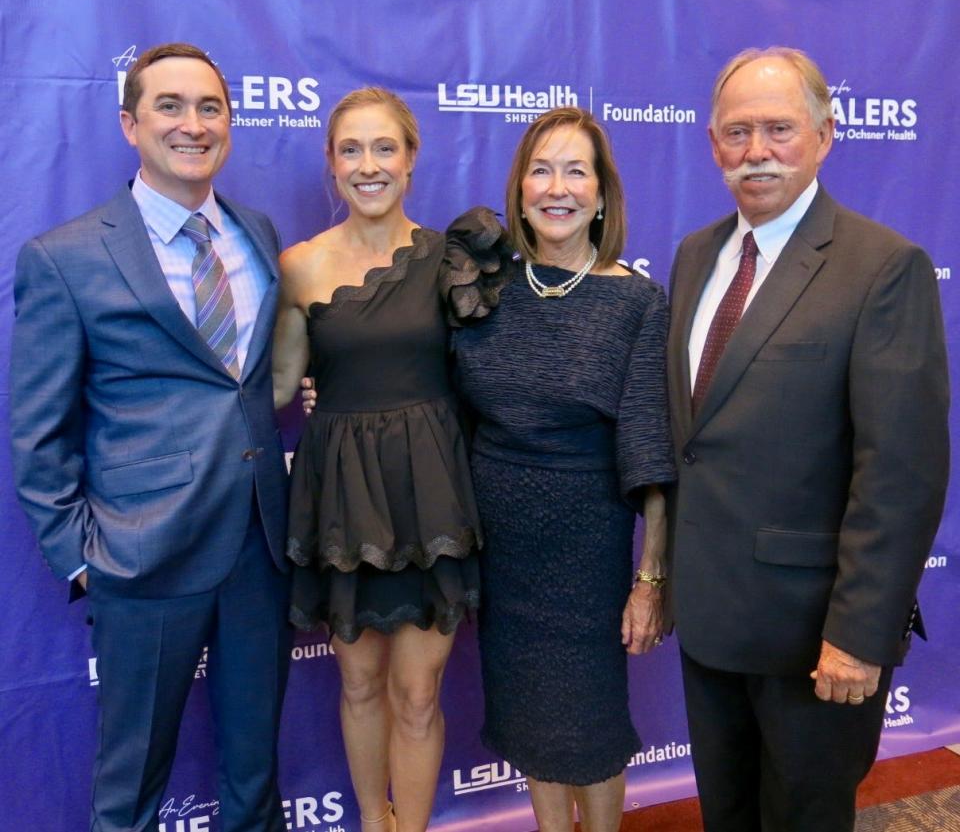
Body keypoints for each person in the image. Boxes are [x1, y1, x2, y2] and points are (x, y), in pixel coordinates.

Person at [665, 46, 950, 831]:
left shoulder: (884, 267)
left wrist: (859, 636)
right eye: (737, 131)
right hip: (712, 624)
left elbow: (901, 470)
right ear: (713, 142)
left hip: (816, 641)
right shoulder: (695, 257)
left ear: (826, 134)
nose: (756, 151)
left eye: (779, 129)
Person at [9, 43, 292, 832]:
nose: (192, 124)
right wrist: (83, 556)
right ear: (131, 123)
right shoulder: (63, 256)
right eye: (170, 106)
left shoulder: (258, 234)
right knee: (129, 789)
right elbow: (38, 433)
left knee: (254, 777)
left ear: (229, 123)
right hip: (140, 557)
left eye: (210, 107)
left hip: (260, 549)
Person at [447, 107, 676, 832]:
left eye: (576, 170)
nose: (558, 187)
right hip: (500, 546)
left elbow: (648, 449)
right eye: (541, 169)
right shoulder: (483, 291)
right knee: (530, 722)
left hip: (588, 548)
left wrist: (650, 579)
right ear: (519, 191)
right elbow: (431, 396)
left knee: (590, 728)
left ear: (602, 195)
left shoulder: (636, 302)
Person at [272, 87, 493, 832]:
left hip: (432, 493)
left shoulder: (450, 260)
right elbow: (276, 381)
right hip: (343, 495)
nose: (368, 166)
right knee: (360, 684)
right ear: (331, 166)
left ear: (411, 158)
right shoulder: (298, 267)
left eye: (383, 148)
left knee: (418, 692)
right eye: (350, 150)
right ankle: (374, 821)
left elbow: (492, 376)